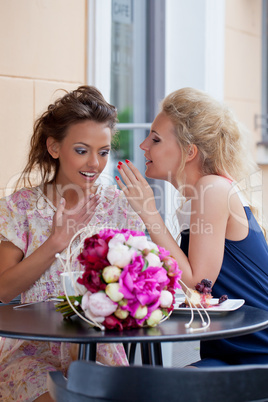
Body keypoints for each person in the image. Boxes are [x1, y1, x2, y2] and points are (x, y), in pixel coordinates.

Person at [0, 85, 144, 402]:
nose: (94, 163)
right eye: (81, 150)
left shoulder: (120, 207)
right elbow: (3, 290)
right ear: (54, 147)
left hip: (99, 347)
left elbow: (139, 286)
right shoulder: (18, 207)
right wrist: (56, 242)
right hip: (29, 349)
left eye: (103, 152)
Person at [115, 87, 268, 366]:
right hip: (228, 354)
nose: (143, 146)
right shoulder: (198, 194)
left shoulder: (212, 188)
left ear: (189, 152)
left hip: (256, 355)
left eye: (156, 139)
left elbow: (200, 284)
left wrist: (149, 212)